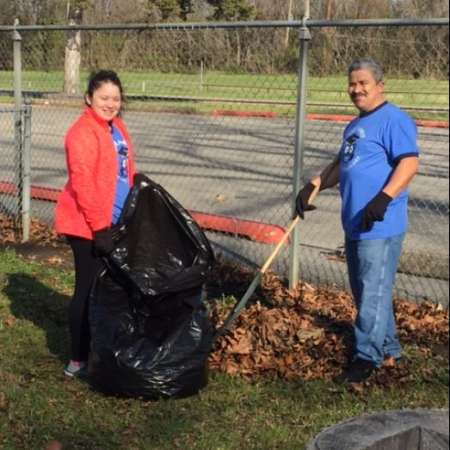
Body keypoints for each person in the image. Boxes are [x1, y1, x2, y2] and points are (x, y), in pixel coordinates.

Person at [296, 58, 419, 383]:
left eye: (363, 83)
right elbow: (342, 163)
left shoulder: (395, 120)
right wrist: (315, 185)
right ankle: (390, 348)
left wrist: (384, 197)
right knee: (367, 291)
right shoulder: (354, 126)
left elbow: (409, 163)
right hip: (354, 221)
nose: (356, 89)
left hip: (380, 224)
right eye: (352, 83)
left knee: (373, 291)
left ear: (380, 84)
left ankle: (367, 357)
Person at [54, 70, 137, 377]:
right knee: (87, 291)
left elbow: (125, 171)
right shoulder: (82, 133)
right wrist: (100, 228)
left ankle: (101, 351)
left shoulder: (117, 128)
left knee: (109, 291)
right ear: (89, 98)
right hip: (87, 225)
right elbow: (84, 183)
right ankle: (77, 360)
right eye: (104, 97)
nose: (111, 103)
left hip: (115, 221)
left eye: (115, 98)